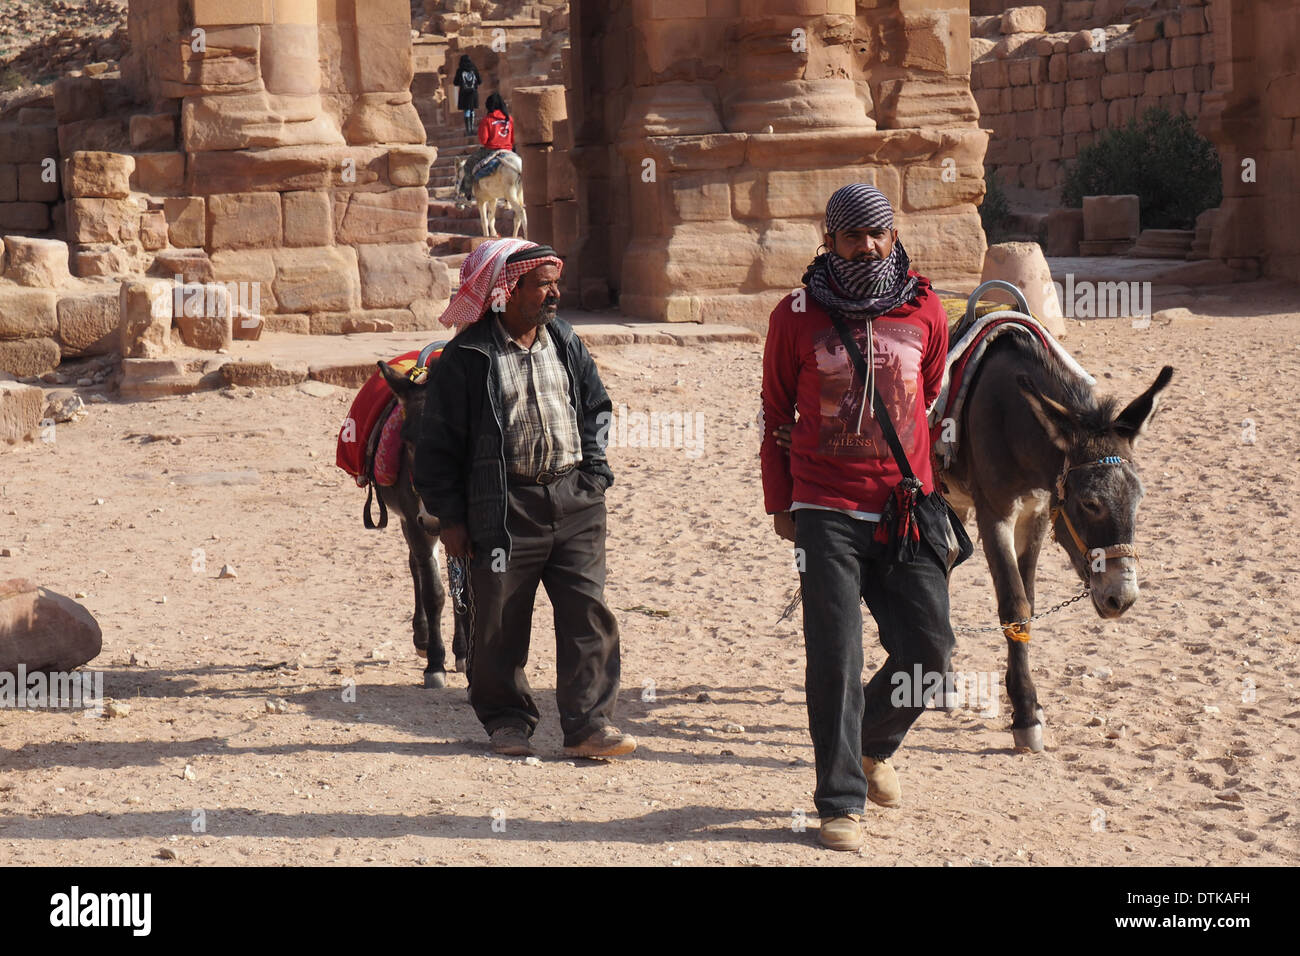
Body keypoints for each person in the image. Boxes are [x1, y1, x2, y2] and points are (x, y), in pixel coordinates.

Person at [759, 183, 952, 852]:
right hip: (825, 509)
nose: (865, 246)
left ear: (893, 238)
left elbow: (926, 395)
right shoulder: (795, 314)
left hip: (904, 506)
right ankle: (840, 801)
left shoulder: (926, 306)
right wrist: (780, 499)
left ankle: (873, 746)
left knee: (931, 653)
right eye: (852, 235)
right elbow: (775, 412)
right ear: (829, 239)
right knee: (836, 656)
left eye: (877, 234)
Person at [414, 238, 636, 760]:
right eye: (543, 284)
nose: (555, 293)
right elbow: (437, 447)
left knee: (588, 611)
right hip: (503, 508)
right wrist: (450, 517)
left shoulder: (564, 339)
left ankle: (588, 725)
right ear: (505, 292)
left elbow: (596, 407)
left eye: (556, 282)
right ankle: (508, 720)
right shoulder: (466, 357)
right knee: (499, 621)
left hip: (575, 500)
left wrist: (595, 476)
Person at [461, 92, 515, 202]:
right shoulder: (509, 119)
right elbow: (513, 138)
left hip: (491, 150)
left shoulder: (487, 120)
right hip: (508, 150)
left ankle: (466, 195)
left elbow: (483, 140)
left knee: (469, 164)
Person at [452, 55, 481, 137]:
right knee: (472, 110)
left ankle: (468, 130)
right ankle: (472, 129)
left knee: (467, 111)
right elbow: (480, 81)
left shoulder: (460, 70)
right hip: (473, 93)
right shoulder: (474, 68)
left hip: (464, 93)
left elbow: (455, 82)